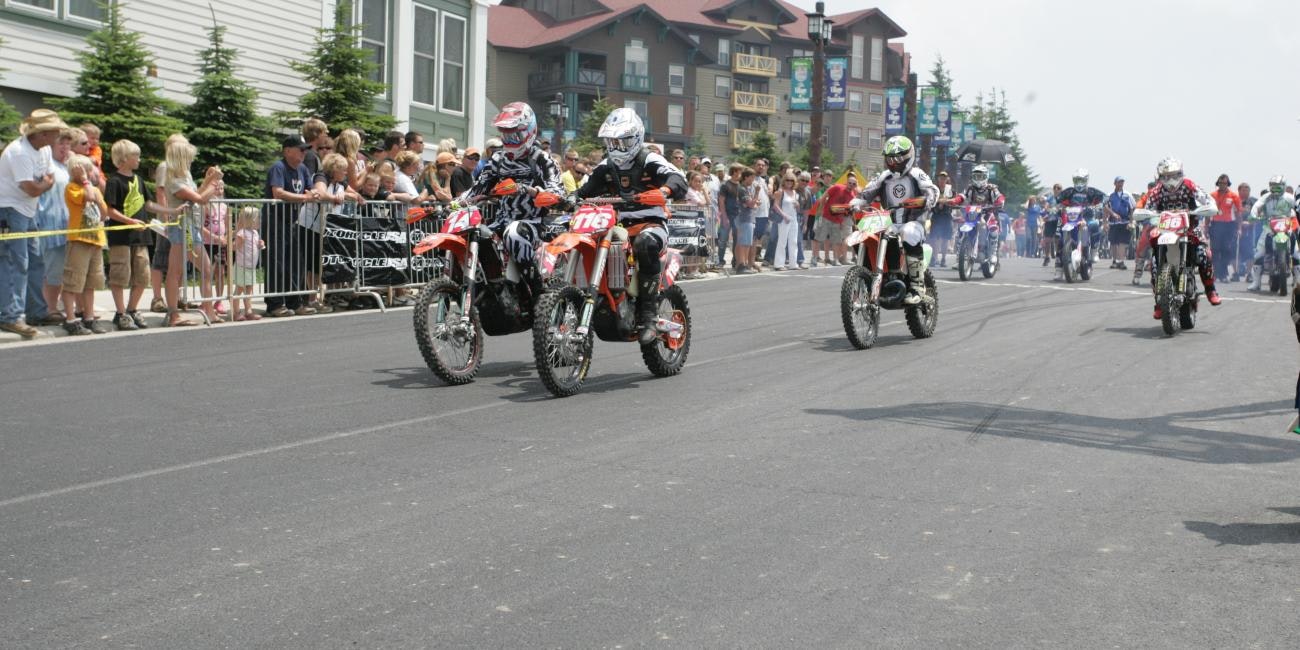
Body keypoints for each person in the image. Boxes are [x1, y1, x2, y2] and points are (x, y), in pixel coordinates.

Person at [574, 106, 688, 343]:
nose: (616, 147)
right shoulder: (606, 166)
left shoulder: (649, 160)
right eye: (612, 142)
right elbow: (585, 191)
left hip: (651, 224)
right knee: (584, 240)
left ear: (636, 138)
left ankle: (649, 315)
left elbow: (678, 178)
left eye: (622, 142)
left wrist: (665, 190)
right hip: (617, 226)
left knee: (645, 243)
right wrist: (567, 199)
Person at [460, 101, 563, 299]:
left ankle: (538, 292)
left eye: (515, 135)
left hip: (534, 223)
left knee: (514, 233)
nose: (510, 139)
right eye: (506, 135)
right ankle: (491, 290)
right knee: (475, 234)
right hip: (502, 220)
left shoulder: (542, 159)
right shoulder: (498, 159)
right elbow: (477, 188)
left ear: (529, 132)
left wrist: (532, 191)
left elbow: (557, 192)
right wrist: (456, 202)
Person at [0, 109, 66, 339]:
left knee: (36, 261)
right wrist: (42, 185)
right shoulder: (19, 152)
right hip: (10, 210)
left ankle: (36, 311)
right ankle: (10, 316)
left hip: (27, 210)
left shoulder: (43, 149)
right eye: (55, 131)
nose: (58, 135)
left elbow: (47, 180)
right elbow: (31, 188)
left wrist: (41, 186)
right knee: (15, 263)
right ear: (42, 133)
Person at [849, 135, 938, 304]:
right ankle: (871, 275)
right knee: (864, 232)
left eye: (897, 158)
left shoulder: (917, 174)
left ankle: (917, 287)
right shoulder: (884, 176)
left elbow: (932, 191)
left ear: (908, 157)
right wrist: (854, 204)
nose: (893, 163)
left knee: (908, 232)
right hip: (889, 222)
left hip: (914, 221)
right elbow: (866, 193)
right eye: (889, 159)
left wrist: (925, 200)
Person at [104, 139, 173, 331]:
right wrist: (129, 221)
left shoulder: (139, 180)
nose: (139, 160)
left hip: (140, 238)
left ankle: (132, 309)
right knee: (119, 276)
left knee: (143, 276)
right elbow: (109, 210)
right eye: (136, 156)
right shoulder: (114, 181)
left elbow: (148, 204)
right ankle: (120, 314)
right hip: (121, 238)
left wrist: (172, 211)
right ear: (124, 158)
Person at [1142, 156, 1220, 318]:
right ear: (1160, 176)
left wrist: (1209, 206)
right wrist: (1144, 213)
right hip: (1165, 229)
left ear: (1180, 173)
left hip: (1189, 227)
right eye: (1166, 176)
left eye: (1173, 175)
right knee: (1154, 263)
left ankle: (1211, 289)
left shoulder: (1189, 185)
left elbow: (1207, 198)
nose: (1170, 180)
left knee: (1204, 254)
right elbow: (1148, 206)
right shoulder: (1157, 190)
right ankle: (1159, 302)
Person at [160, 135, 223, 326]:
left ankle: (207, 311)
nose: (191, 160)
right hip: (182, 228)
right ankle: (174, 315)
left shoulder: (184, 177)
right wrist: (214, 183)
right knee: (177, 271)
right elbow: (200, 199)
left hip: (190, 227)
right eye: (188, 157)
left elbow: (198, 193)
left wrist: (208, 180)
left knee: (202, 269)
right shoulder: (174, 181)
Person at [263, 134, 316, 319]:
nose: (303, 153)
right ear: (287, 151)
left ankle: (296, 302)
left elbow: (310, 189)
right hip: (275, 221)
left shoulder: (302, 169)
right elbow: (277, 192)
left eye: (305, 150)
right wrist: (305, 197)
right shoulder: (278, 167)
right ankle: (275, 304)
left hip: (293, 222)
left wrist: (315, 194)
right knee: (276, 264)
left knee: (296, 263)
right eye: (300, 149)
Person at [59, 155, 110, 335]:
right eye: (85, 171)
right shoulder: (72, 188)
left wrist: (93, 190)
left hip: (95, 240)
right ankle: (70, 319)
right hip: (79, 240)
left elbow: (104, 212)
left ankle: (89, 318)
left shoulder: (93, 189)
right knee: (73, 281)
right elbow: (87, 196)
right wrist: (85, 182)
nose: (88, 174)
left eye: (88, 171)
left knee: (90, 283)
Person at [33, 128, 73, 327]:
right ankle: (48, 308)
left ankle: (52, 307)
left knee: (59, 270)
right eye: (61, 143)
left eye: (68, 143)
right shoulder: (47, 166)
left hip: (67, 226)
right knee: (50, 269)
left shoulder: (68, 166)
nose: (65, 147)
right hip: (49, 223)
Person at [1051, 170, 1105, 280]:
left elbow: (1104, 197)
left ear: (1086, 180)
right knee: (1061, 240)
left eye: (1081, 180)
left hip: (1087, 217)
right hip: (1071, 219)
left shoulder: (1091, 191)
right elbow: (1058, 199)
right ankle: (1058, 269)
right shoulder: (1069, 191)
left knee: (1095, 225)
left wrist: (1099, 204)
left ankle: (1094, 251)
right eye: (1077, 180)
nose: (1079, 182)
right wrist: (1055, 206)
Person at [1246, 175, 1297, 292]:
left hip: (1287, 225)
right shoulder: (1266, 197)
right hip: (1269, 227)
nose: (1275, 189)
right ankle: (1256, 282)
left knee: (1296, 253)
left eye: (1277, 186)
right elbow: (1256, 206)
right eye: (1273, 186)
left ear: (1283, 186)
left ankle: (1298, 280)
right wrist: (1253, 214)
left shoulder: (1289, 198)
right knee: (1259, 254)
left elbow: (1297, 207)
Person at [950, 164, 1006, 265]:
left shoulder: (991, 188)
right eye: (976, 176)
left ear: (986, 177)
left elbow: (999, 196)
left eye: (980, 176)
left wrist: (1000, 201)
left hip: (987, 213)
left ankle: (993, 254)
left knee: (993, 229)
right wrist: (955, 200)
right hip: (973, 213)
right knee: (961, 230)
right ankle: (960, 258)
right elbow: (962, 196)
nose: (978, 179)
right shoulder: (970, 188)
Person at [816, 173, 858, 266]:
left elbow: (848, 211)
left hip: (837, 220)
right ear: (846, 182)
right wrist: (820, 211)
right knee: (819, 238)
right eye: (850, 183)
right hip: (826, 216)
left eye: (853, 184)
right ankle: (815, 258)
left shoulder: (852, 196)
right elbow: (824, 197)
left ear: (855, 186)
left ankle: (836, 260)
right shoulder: (837, 187)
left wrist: (845, 222)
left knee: (837, 241)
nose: (851, 185)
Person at [231, 206, 264, 322]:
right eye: (258, 218)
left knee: (249, 290)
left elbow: (255, 246)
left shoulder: (255, 233)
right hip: (242, 266)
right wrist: (238, 242)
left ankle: (248, 311)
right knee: (239, 289)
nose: (260, 221)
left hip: (251, 267)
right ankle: (236, 312)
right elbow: (233, 247)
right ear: (251, 220)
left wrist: (260, 244)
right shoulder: (242, 233)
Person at [1208, 173, 1241, 282]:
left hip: (1229, 225)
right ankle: (1217, 273)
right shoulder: (1212, 195)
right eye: (1220, 183)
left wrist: (1239, 228)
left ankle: (1223, 273)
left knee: (1226, 249)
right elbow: (1208, 212)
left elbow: (1239, 213)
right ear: (1218, 183)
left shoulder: (1234, 196)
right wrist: (1206, 226)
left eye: (1225, 183)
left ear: (1228, 184)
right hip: (1215, 225)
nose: (1222, 185)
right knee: (1215, 250)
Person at [1103, 176, 1135, 269]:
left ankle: (1120, 261)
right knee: (1113, 242)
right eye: (1119, 182)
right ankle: (1114, 260)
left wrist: (1131, 222)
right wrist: (1105, 222)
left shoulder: (1128, 195)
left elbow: (1132, 208)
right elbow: (1105, 207)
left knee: (1122, 242)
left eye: (1122, 182)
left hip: (1125, 222)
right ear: (1115, 183)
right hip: (1113, 222)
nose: (1120, 184)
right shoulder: (1109, 195)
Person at [772, 173, 802, 270]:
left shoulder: (795, 193)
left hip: (794, 219)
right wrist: (784, 215)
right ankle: (779, 264)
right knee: (782, 241)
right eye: (787, 180)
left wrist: (798, 205)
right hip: (784, 219)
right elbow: (775, 206)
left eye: (791, 180)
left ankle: (793, 264)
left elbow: (798, 209)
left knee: (793, 241)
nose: (789, 182)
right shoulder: (780, 191)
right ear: (784, 181)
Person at [929, 171, 955, 267]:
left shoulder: (950, 190)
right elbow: (931, 200)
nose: (942, 180)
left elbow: (954, 200)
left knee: (945, 239)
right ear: (938, 179)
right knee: (934, 238)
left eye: (944, 178)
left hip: (946, 216)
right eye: (940, 178)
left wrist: (944, 201)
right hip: (936, 216)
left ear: (947, 179)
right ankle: (934, 258)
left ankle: (943, 259)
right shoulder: (934, 190)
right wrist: (940, 202)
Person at [1235, 181, 1257, 281]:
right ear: (1239, 191)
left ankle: (1249, 274)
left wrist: (1250, 222)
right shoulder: (1235, 200)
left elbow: (1258, 215)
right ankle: (1236, 272)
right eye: (1243, 190)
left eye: (1247, 190)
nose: (1245, 192)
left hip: (1249, 230)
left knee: (1249, 252)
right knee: (1235, 251)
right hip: (1235, 229)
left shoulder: (1253, 201)